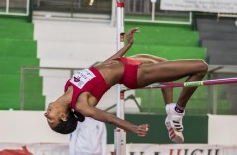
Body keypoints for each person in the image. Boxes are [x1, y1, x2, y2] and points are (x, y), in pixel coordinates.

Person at [44, 27, 208, 143]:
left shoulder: (68, 86)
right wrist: (133, 128)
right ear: (64, 116)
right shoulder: (80, 105)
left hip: (127, 62)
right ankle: (177, 112)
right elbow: (109, 118)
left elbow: (102, 66)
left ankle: (171, 114)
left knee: (166, 68)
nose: (46, 115)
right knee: (201, 67)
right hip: (134, 74)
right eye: (51, 120)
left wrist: (127, 46)